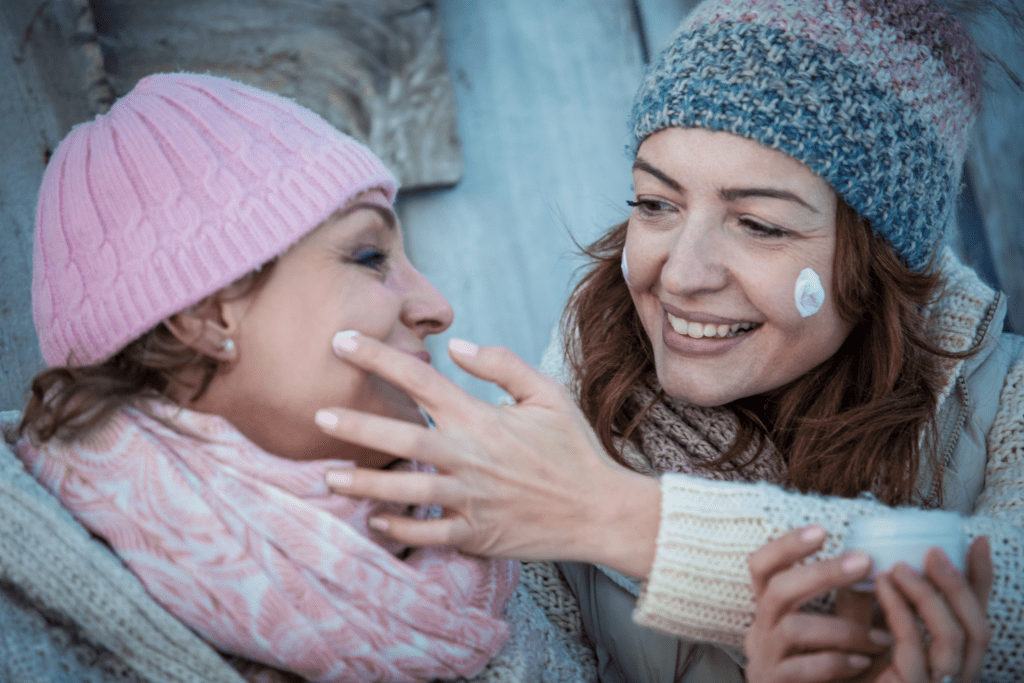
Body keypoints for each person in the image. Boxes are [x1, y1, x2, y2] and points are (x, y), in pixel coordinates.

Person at [314, 1, 1023, 681]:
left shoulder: (1004, 402)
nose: (681, 275)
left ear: (878, 258)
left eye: (759, 224)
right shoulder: (575, 400)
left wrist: (608, 513)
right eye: (657, 204)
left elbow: (1010, 590)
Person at [9, 72, 596, 683]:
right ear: (205, 316)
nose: (436, 306)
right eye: (370, 257)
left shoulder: (496, 528)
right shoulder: (35, 610)